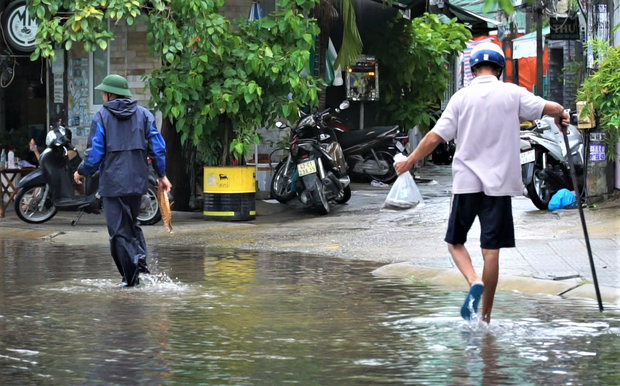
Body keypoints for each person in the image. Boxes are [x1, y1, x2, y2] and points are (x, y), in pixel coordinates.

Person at [394, 42, 569, 323]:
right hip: (499, 186)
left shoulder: (461, 98)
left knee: (455, 243)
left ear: (473, 69)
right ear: (499, 69)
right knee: (491, 252)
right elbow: (550, 107)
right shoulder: (513, 93)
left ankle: (473, 280)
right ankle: (485, 318)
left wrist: (409, 161)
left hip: (466, 183)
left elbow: (435, 137)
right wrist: (562, 114)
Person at [73, 74, 171, 287]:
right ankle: (141, 267)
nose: (102, 97)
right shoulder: (144, 115)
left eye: (103, 93)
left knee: (118, 234)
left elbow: (96, 151)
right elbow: (158, 148)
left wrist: (81, 171)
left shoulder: (101, 117)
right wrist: (161, 175)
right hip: (137, 183)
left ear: (110, 94)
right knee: (132, 225)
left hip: (113, 184)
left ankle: (131, 279)